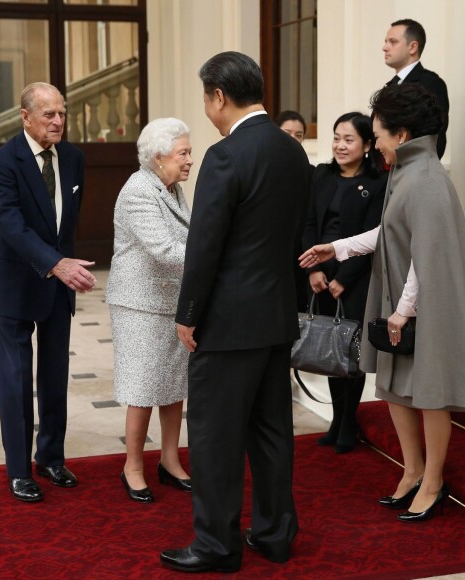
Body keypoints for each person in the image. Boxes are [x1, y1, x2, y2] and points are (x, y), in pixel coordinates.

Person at [160, 51, 311, 573]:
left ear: (219, 96)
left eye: (206, 98)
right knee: (272, 432)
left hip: (226, 322)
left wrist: (189, 313)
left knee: (215, 437)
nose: (207, 108)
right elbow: (295, 237)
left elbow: (206, 246)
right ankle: (274, 534)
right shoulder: (293, 152)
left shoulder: (225, 156)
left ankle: (217, 545)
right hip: (275, 317)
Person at [299, 83, 465, 523]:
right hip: (401, 301)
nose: (377, 145)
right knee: (395, 388)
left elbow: (424, 256)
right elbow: (389, 233)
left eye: (380, 135)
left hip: (419, 305)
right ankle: (411, 472)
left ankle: (433, 481)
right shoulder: (406, 173)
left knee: (430, 394)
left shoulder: (427, 179)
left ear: (403, 135)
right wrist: (337, 248)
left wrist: (402, 310)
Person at [0, 82, 97, 503]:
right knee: (15, 380)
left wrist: (64, 267)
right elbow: (10, 225)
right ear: (25, 117)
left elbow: (64, 223)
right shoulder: (1, 163)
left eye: (62, 113)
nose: (57, 121)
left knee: (55, 377)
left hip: (58, 287)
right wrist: (55, 263)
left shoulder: (74, 158)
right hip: (16, 283)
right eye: (48, 114)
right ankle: (18, 470)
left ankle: (50, 457)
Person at [106, 118, 193, 504]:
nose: (190, 160)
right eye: (183, 153)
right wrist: (217, 263)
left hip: (170, 302)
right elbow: (164, 250)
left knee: (174, 386)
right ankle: (134, 467)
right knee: (142, 388)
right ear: (158, 157)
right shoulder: (138, 191)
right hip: (139, 304)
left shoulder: (171, 188)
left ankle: (170, 461)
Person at [302, 112, 386, 453]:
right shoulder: (321, 175)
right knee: (328, 347)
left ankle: (348, 421)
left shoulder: (378, 184)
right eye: (336, 137)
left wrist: (344, 279)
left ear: (367, 145)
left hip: (357, 277)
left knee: (351, 349)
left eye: (348, 139)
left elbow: (372, 237)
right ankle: (337, 419)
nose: (339, 145)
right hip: (320, 273)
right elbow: (307, 223)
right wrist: (313, 270)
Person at [382, 18, 449, 158]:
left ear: (412, 47)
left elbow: (436, 137)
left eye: (393, 42)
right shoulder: (391, 85)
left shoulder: (430, 83)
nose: (385, 47)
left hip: (414, 170)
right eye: (386, 42)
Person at [276, 110, 313, 312]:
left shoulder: (313, 173)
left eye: (298, 135)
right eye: (287, 133)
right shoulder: (265, 170)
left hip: (302, 253)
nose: (293, 139)